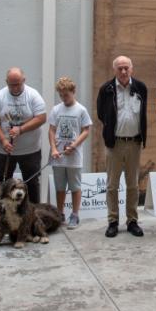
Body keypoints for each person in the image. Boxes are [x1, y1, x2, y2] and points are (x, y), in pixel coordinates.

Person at [96, 55, 148, 238]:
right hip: (114, 144)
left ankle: (132, 221)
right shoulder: (106, 89)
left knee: (133, 185)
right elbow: (101, 114)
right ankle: (112, 221)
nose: (124, 71)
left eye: (126, 68)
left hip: (134, 143)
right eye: (120, 68)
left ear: (131, 69)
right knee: (112, 185)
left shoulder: (141, 88)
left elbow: (143, 114)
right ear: (114, 70)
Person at [0, 67, 48, 204]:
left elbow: (41, 118)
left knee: (31, 182)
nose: (15, 88)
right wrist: (3, 140)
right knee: (1, 182)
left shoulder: (33, 95)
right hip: (5, 149)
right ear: (6, 82)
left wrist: (21, 129)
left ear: (24, 80)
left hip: (30, 150)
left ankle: (33, 214)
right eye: (11, 85)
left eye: (18, 84)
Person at [48, 77, 92, 229]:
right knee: (60, 187)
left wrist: (74, 145)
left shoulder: (81, 110)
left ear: (73, 92)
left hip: (74, 157)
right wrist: (54, 148)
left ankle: (75, 214)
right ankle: (59, 214)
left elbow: (86, 130)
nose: (63, 98)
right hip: (58, 156)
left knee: (75, 186)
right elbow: (52, 130)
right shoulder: (56, 109)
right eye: (61, 95)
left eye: (66, 94)